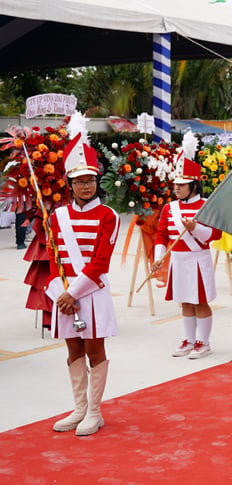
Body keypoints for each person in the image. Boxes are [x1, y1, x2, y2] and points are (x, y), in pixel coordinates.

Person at [48, 116, 121, 436]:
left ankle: (95, 411)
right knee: (73, 351)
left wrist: (71, 294)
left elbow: (100, 262)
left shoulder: (109, 215)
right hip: (64, 297)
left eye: (90, 179)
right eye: (79, 181)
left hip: (91, 293)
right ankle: (78, 409)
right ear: (69, 183)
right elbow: (53, 260)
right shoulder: (57, 216)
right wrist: (58, 294)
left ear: (97, 181)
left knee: (95, 351)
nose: (86, 185)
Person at [153, 132, 222, 360]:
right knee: (184, 301)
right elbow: (162, 234)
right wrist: (159, 257)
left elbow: (215, 234)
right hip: (178, 261)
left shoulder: (206, 205)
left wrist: (195, 228)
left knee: (199, 301)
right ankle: (189, 339)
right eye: (176, 185)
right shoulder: (169, 208)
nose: (177, 189)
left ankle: (204, 341)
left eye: (182, 185)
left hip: (198, 260)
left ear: (194, 185)